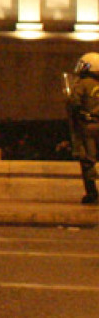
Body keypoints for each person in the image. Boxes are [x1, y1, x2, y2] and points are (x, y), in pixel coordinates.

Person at [67, 52, 99, 205]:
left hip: (88, 126)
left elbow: (74, 103)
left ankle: (92, 194)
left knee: (88, 160)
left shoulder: (83, 83)